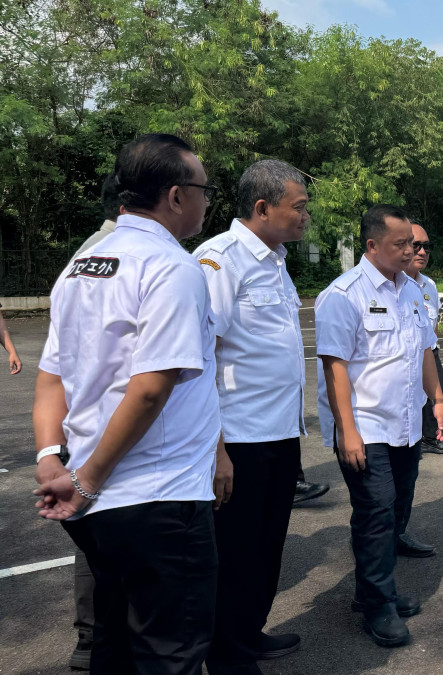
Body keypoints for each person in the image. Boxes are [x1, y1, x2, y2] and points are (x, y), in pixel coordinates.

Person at [32, 132, 221, 675]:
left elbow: (51, 377)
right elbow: (150, 388)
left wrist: (52, 459)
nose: (207, 201)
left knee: (113, 645)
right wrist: (87, 477)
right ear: (176, 195)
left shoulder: (82, 265)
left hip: (97, 503)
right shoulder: (171, 268)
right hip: (158, 497)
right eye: (204, 189)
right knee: (171, 651)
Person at [192, 159, 311, 674]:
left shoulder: (276, 260)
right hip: (237, 437)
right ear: (262, 208)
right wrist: (215, 449)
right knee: (236, 553)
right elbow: (199, 358)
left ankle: (247, 633)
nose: (307, 216)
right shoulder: (219, 260)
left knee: (268, 545)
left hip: (279, 431)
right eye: (299, 207)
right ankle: (226, 654)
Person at [315, 204, 443, 647]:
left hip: (407, 424)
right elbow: (335, 367)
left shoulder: (412, 291)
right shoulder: (343, 294)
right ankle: (377, 606)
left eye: (412, 243)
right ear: (372, 246)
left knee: (396, 509)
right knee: (375, 512)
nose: (411, 250)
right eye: (401, 244)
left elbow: (426, 350)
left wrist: (439, 399)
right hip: (365, 426)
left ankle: (375, 589)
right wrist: (346, 430)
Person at [61, 172, 121, 671]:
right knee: (103, 541)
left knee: (95, 538)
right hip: (111, 432)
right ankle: (95, 636)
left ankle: (92, 637)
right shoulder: (120, 255)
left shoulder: (84, 255)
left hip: (84, 426)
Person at [408, 219, 443, 459]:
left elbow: (432, 321)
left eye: (426, 246)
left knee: (438, 391)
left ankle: (430, 436)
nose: (422, 252)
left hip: (428, 350)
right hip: (407, 352)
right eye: (416, 246)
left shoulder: (429, 285)